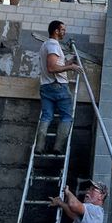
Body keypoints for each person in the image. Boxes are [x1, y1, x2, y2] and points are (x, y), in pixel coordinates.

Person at [37, 20, 82, 154]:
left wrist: (69, 62)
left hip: (46, 86)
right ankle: (58, 147)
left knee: (46, 116)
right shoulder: (53, 45)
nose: (64, 32)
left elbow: (57, 65)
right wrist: (71, 67)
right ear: (56, 31)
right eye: (62, 30)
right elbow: (52, 68)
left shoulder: (46, 45)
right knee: (66, 117)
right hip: (58, 86)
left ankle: (39, 146)